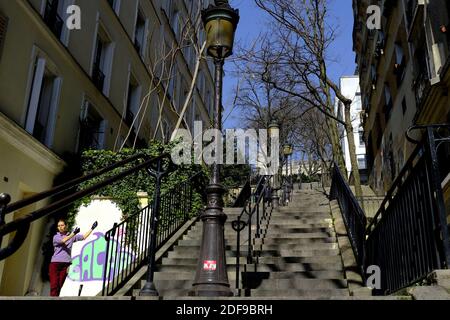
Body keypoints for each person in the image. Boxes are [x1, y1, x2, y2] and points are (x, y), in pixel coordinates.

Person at [49, 219, 98, 296]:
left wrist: (92, 228)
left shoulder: (71, 236)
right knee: (54, 285)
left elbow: (83, 237)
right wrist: (73, 233)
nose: (60, 227)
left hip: (66, 264)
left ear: (66, 226)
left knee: (59, 285)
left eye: (62, 225)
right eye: (59, 226)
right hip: (55, 264)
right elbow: (63, 240)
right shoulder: (56, 236)